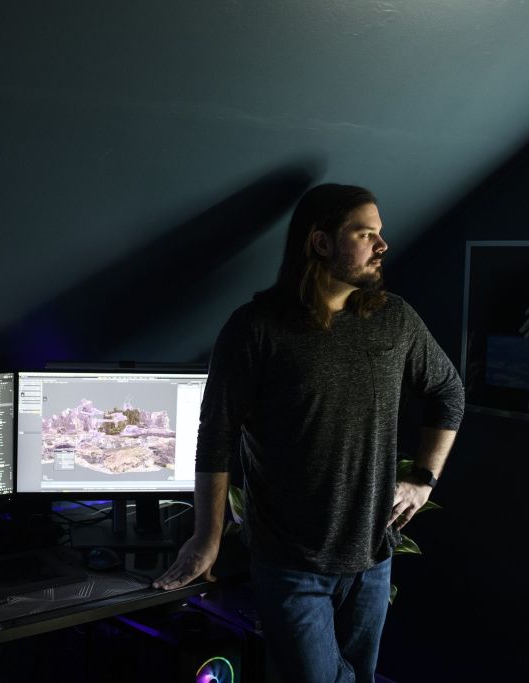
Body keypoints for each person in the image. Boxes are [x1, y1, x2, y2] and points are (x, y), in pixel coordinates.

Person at [153, 183, 464, 683]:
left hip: (372, 558)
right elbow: (215, 436)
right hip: (290, 565)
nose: (382, 246)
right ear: (321, 243)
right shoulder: (255, 329)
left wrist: (423, 479)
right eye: (366, 234)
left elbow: (450, 392)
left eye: (379, 234)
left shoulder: (395, 320)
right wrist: (206, 538)